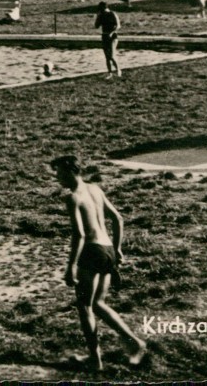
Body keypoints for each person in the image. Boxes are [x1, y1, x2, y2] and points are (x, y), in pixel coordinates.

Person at [49, 155, 147, 372]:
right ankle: (135, 344)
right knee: (99, 304)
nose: (57, 179)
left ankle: (95, 360)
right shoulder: (95, 189)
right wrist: (118, 248)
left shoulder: (73, 198)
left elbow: (80, 235)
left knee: (85, 306)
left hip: (91, 251)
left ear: (69, 172)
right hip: (108, 249)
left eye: (58, 174)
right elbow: (118, 219)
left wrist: (71, 266)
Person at [94, 2, 121, 79]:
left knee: (112, 55)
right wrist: (98, 17)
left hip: (113, 36)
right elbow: (96, 26)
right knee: (107, 56)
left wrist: (111, 33)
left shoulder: (112, 14)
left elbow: (118, 26)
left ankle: (118, 70)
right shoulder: (101, 15)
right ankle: (110, 73)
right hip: (104, 35)